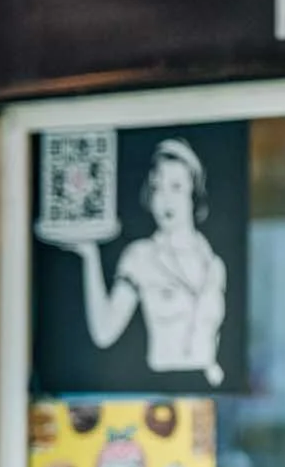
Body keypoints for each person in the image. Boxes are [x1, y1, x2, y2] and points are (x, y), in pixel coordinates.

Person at [71, 138, 227, 385]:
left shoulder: (214, 264)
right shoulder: (140, 257)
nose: (165, 199)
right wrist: (90, 257)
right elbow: (104, 332)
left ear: (193, 194)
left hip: (208, 393)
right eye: (157, 187)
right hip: (158, 391)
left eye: (176, 187)